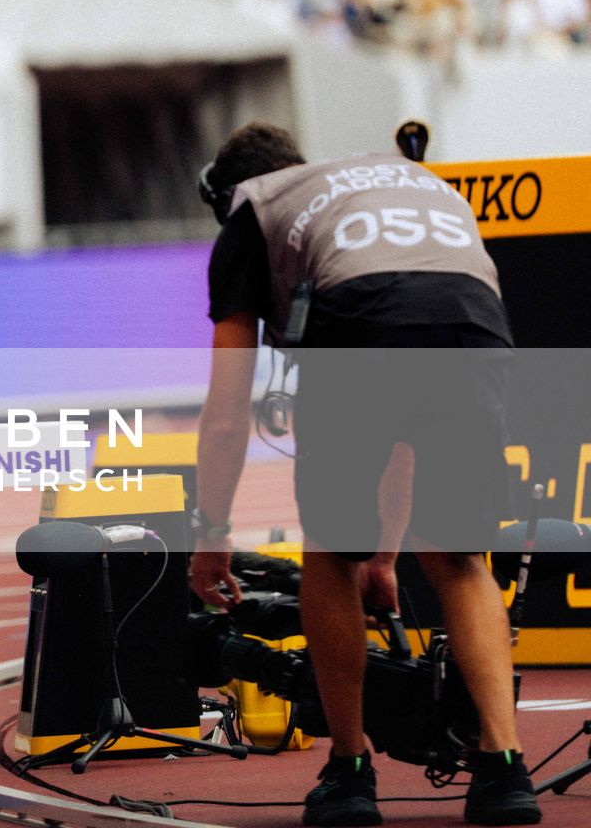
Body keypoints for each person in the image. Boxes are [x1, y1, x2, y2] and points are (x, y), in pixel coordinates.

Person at [188, 123, 540, 828]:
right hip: (475, 325)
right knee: (461, 559)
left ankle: (350, 770)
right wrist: (386, 554)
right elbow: (405, 422)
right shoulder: (377, 185)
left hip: (359, 324)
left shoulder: (254, 210)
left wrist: (212, 532)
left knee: (329, 555)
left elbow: (227, 412)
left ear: (226, 194)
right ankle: (504, 767)